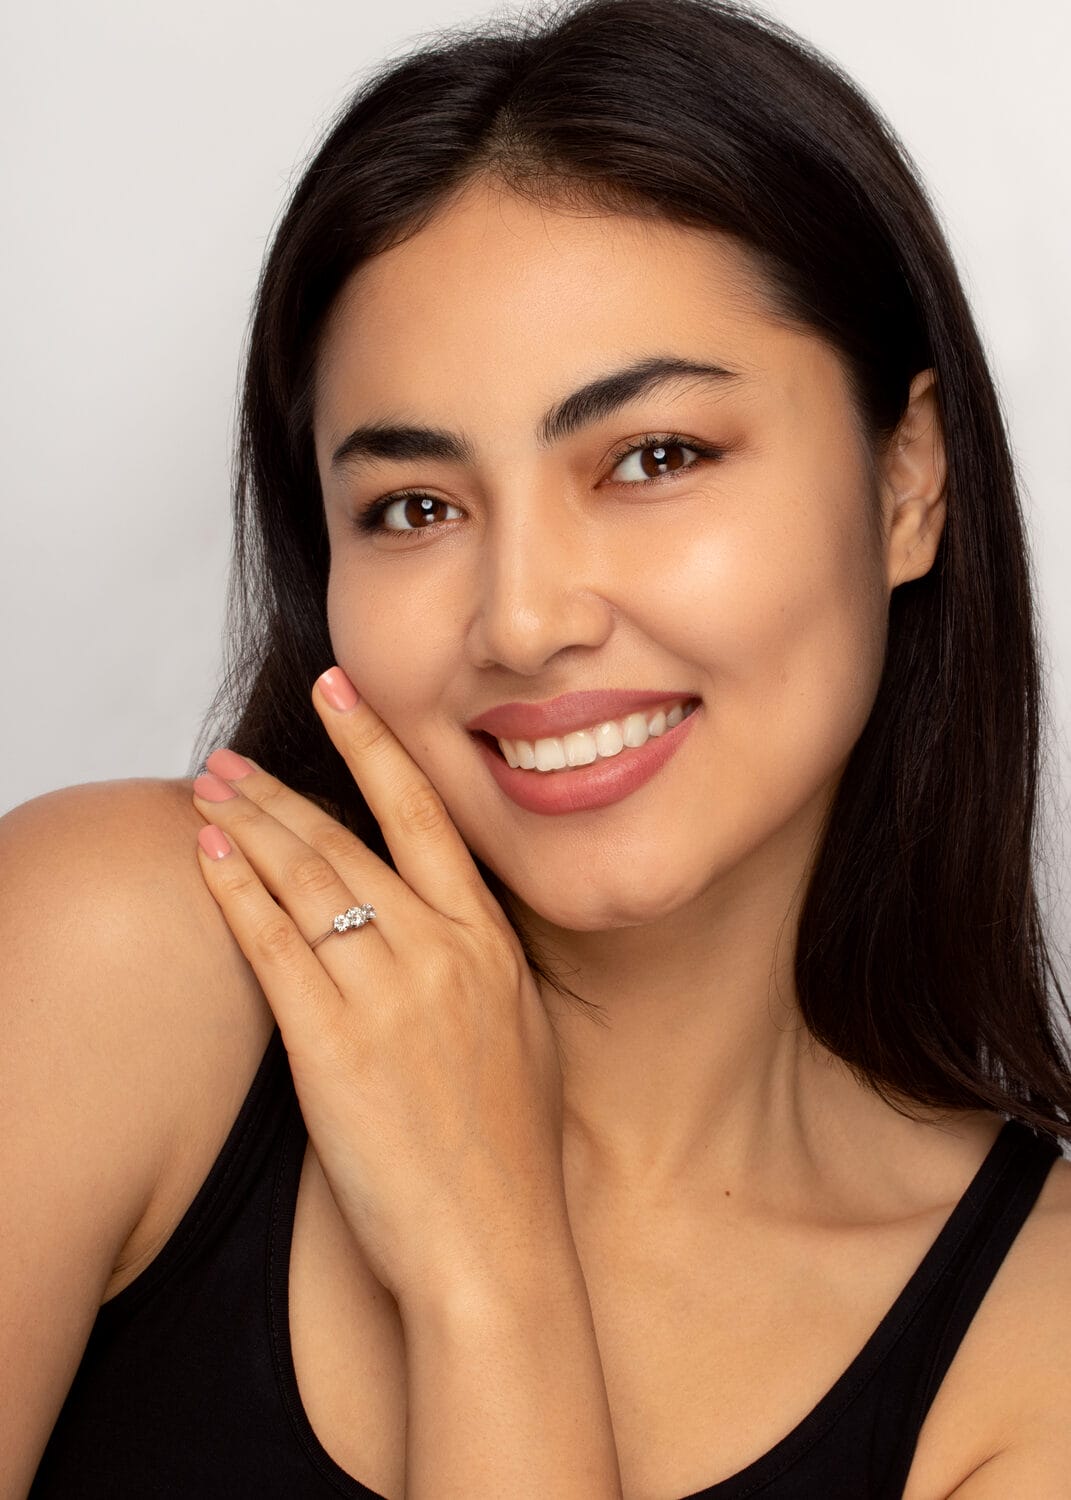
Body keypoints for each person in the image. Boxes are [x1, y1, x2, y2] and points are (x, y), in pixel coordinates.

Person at [4, 0, 1070, 1494]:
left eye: (654, 457)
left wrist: (487, 1280)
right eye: (416, 507)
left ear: (907, 482)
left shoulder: (1039, 1343)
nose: (522, 619)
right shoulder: (108, 956)